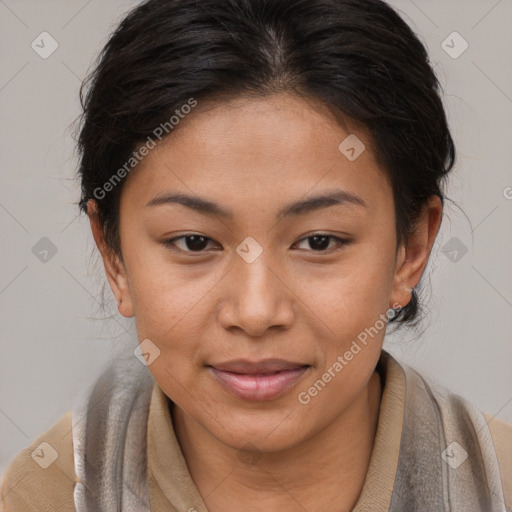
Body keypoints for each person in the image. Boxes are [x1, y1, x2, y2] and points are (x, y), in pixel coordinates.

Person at [1, 0, 511, 510]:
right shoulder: (47, 493)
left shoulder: (498, 487)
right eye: (194, 242)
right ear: (114, 257)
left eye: (319, 241)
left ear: (411, 250)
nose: (256, 311)